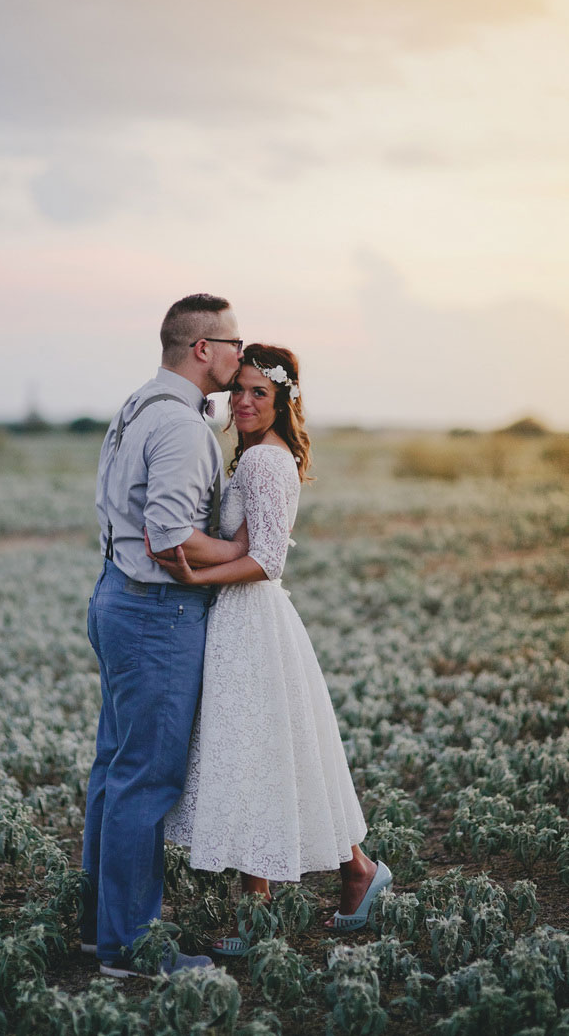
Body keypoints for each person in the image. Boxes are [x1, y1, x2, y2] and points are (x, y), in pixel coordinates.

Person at [155, 344, 392, 954]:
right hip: (243, 620)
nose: (245, 401)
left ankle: (260, 905)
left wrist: (194, 578)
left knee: (254, 751)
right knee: (270, 753)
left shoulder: (265, 463)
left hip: (252, 620)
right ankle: (354, 872)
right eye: (239, 390)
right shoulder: (255, 457)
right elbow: (242, 542)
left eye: (261, 392)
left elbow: (267, 560)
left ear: (284, 399)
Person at [81, 293, 247, 976]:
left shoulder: (137, 405)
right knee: (146, 780)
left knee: (116, 771)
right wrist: (245, 551)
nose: (242, 352)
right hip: (157, 611)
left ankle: (102, 927)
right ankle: (130, 946)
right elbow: (171, 537)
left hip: (119, 595)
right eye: (234, 341)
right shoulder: (181, 427)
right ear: (202, 350)